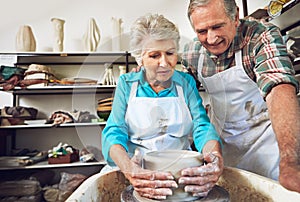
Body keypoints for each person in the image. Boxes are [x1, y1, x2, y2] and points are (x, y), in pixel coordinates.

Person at [101, 13, 223, 200]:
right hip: (139, 173)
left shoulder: (186, 83)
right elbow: (113, 131)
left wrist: (214, 157)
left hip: (181, 174)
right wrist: (130, 170)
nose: (164, 63)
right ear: (139, 58)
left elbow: (202, 126)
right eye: (154, 55)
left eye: (170, 53)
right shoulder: (127, 84)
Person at [182, 0, 300, 193]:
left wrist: (290, 161)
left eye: (217, 26)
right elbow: (184, 97)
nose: (211, 39)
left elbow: (278, 87)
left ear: (235, 17)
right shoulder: (192, 52)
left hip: (267, 147)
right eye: (202, 31)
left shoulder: (260, 36)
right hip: (221, 149)